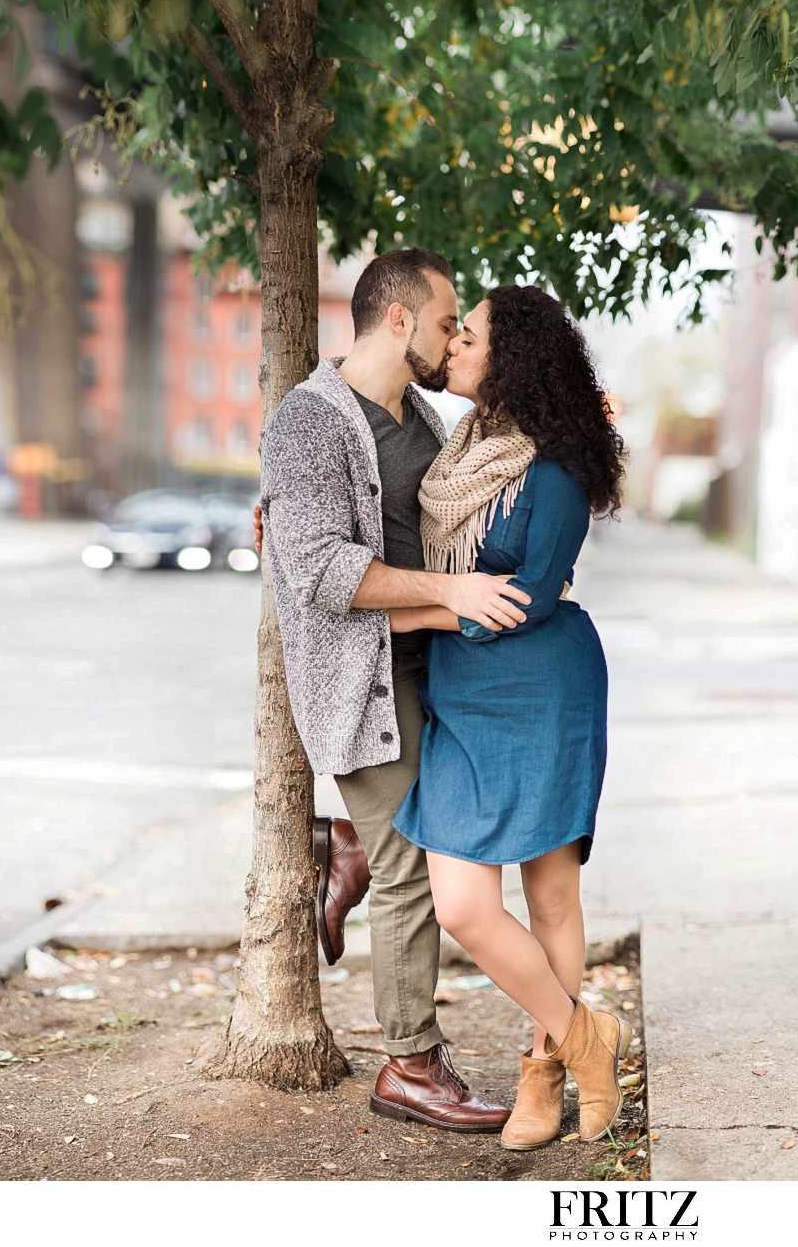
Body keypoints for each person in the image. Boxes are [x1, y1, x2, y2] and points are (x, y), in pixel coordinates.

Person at [259, 247, 531, 1134]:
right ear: (400, 319)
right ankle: (409, 1064)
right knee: (414, 863)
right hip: (360, 685)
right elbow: (318, 570)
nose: (457, 340)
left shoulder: (422, 416)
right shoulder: (308, 422)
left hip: (431, 667)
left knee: (435, 843)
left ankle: (347, 847)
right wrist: (450, 593)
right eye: (449, 322)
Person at [384, 284, 629, 1151]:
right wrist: (436, 598)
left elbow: (524, 600)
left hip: (540, 690)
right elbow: (425, 566)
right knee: (462, 905)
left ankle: (544, 1075)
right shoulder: (455, 452)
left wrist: (403, 611)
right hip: (462, 698)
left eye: (470, 336)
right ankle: (586, 1034)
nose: (453, 346)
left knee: (552, 895)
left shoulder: (554, 467)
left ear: (511, 359)